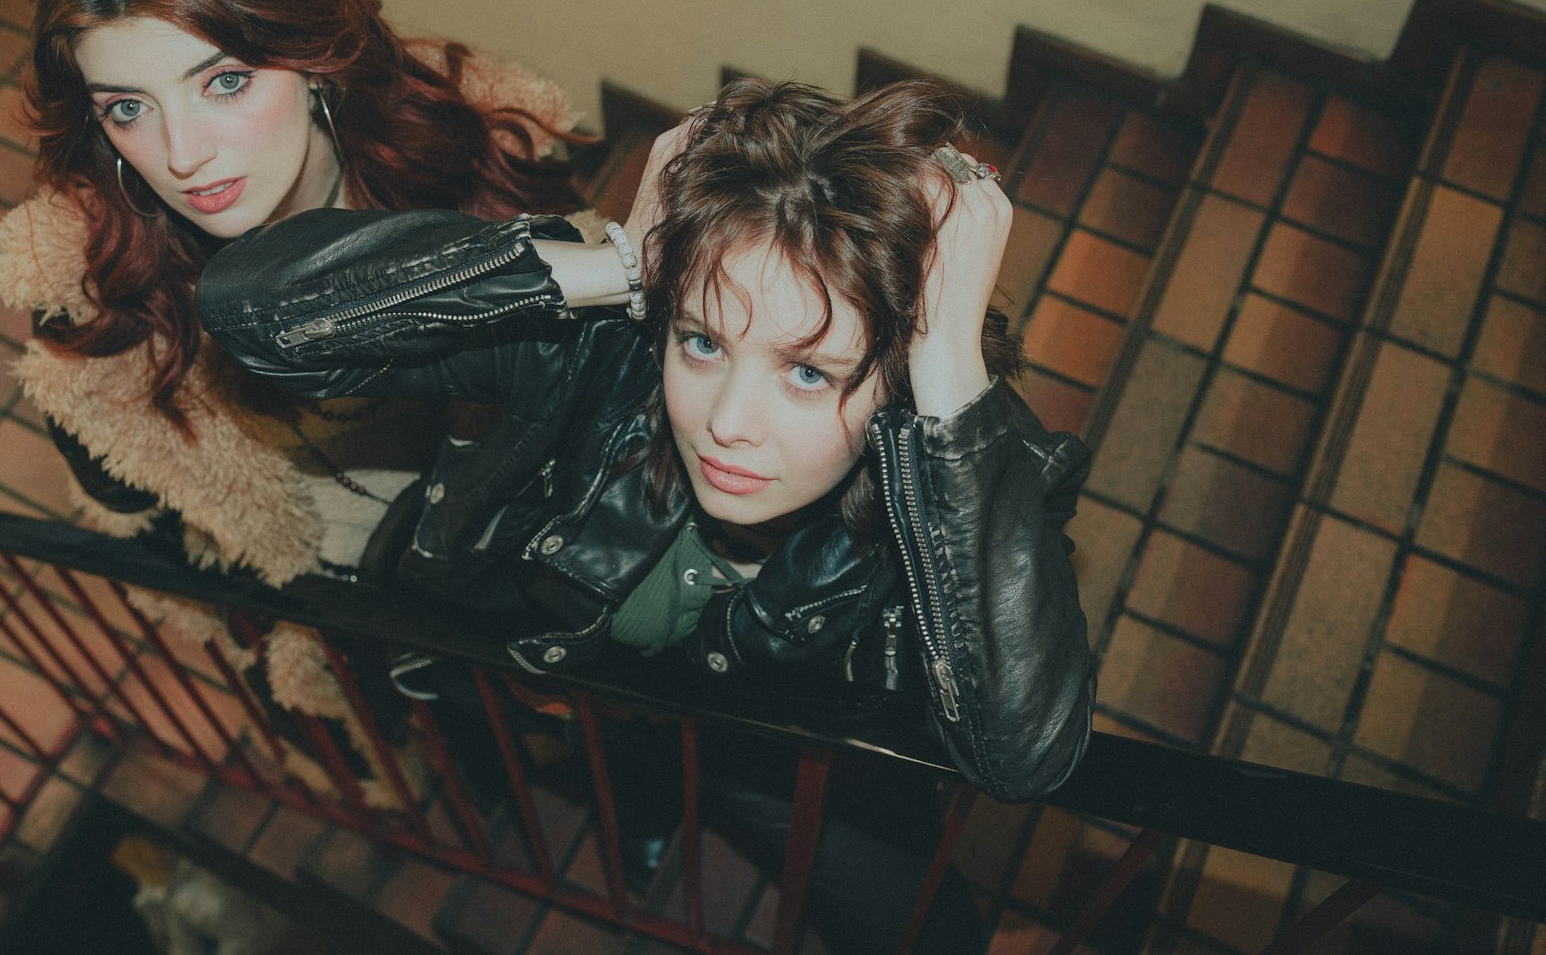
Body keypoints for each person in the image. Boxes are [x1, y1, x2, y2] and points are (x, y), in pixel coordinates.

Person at [197, 77, 1096, 950]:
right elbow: (250, 309)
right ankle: (643, 822)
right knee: (620, 779)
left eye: (807, 372)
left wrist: (948, 388)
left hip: (783, 756)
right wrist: (618, 263)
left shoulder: (963, 475)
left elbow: (1016, 752)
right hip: (585, 695)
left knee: (909, 922)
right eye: (703, 341)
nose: (726, 423)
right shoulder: (607, 354)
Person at [0, 0, 594, 800]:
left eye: (224, 81)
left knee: (568, 734)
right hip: (351, 618)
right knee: (461, 753)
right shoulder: (98, 299)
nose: (182, 155)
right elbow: (143, 520)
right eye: (129, 108)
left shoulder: (465, 145)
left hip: (519, 563)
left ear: (312, 52)